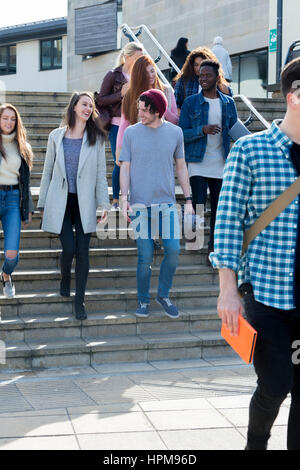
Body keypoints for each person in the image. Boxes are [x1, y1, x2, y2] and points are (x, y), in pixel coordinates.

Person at [209, 57, 300, 450]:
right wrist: (227, 289)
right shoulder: (250, 150)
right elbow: (227, 223)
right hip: (268, 292)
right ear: (294, 96)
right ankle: (255, 443)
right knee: (276, 384)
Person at [119, 89, 193, 319]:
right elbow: (125, 167)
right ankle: (143, 301)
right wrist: (123, 198)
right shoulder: (131, 133)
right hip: (139, 204)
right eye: (139, 108)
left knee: (173, 250)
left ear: (158, 111)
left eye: (144, 109)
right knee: (145, 255)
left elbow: (181, 167)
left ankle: (163, 294)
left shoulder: (176, 133)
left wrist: (189, 200)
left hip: (167, 204)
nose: (139, 113)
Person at [38, 92, 109, 320]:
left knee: (83, 251)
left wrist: (103, 204)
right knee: (68, 248)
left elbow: (101, 175)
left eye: (91, 106)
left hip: (85, 202)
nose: (88, 109)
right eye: (84, 104)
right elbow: (47, 170)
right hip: (61, 201)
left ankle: (80, 301)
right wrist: (42, 202)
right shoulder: (56, 136)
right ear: (74, 107)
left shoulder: (96, 138)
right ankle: (65, 276)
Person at [179, 59, 237, 263]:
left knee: (219, 208)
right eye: (200, 75)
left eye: (207, 75)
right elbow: (182, 133)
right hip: (197, 161)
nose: (203, 79)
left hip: (221, 163)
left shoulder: (229, 103)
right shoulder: (190, 103)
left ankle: (213, 249)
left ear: (217, 77)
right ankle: (194, 238)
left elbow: (235, 130)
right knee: (199, 203)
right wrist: (202, 130)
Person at [96, 42, 144, 210]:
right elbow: (101, 99)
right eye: (138, 58)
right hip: (117, 124)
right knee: (120, 161)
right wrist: (120, 94)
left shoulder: (141, 75)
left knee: (136, 162)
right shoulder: (113, 75)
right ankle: (116, 199)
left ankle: (133, 196)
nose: (141, 61)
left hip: (138, 123)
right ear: (127, 57)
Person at [116, 54, 179, 161]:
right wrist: (119, 151)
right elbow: (124, 125)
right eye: (145, 73)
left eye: (152, 71)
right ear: (138, 75)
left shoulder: (167, 90)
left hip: (163, 148)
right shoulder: (130, 96)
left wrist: (162, 108)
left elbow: (176, 122)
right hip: (138, 149)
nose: (150, 75)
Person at [0, 103, 34, 299]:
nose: (9, 122)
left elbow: (26, 182)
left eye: (12, 119)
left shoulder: (23, 147)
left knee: (12, 254)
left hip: (13, 199)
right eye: (5, 117)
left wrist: (26, 208)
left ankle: (6, 274)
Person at [174, 47, 232, 114]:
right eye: (196, 65)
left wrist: (218, 79)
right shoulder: (184, 80)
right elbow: (176, 104)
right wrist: (185, 119)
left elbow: (229, 99)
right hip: (191, 121)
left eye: (202, 64)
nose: (199, 68)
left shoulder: (214, 79)